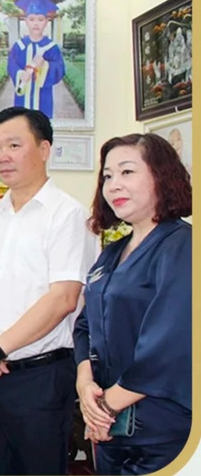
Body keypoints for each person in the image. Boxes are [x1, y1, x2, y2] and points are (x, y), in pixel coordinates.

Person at [0, 107, 97, 474]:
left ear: (45, 149)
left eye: (14, 145)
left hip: (39, 380)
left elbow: (63, 298)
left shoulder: (68, 216)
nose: (2, 156)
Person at [74, 133, 192, 475]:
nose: (113, 185)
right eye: (107, 176)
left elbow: (170, 344)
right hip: (110, 429)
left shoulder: (181, 246)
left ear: (161, 175)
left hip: (161, 431)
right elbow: (85, 326)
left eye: (127, 172)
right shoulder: (112, 253)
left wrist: (106, 407)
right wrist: (84, 384)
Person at [8, 0, 66, 118]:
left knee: (41, 126)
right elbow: (12, 66)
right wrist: (20, 75)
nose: (36, 24)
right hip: (22, 99)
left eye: (40, 19)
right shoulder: (19, 46)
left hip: (43, 98)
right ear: (26, 21)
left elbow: (59, 69)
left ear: (46, 21)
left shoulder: (51, 48)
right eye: (32, 19)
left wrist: (45, 65)